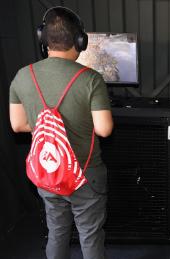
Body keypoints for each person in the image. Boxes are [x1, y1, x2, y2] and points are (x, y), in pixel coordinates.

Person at [9, 7, 113, 259]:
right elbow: (104, 129)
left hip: (48, 171)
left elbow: (18, 125)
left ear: (42, 38)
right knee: (90, 234)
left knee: (56, 232)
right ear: (80, 41)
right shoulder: (90, 79)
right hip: (86, 174)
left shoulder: (23, 75)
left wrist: (50, 126)